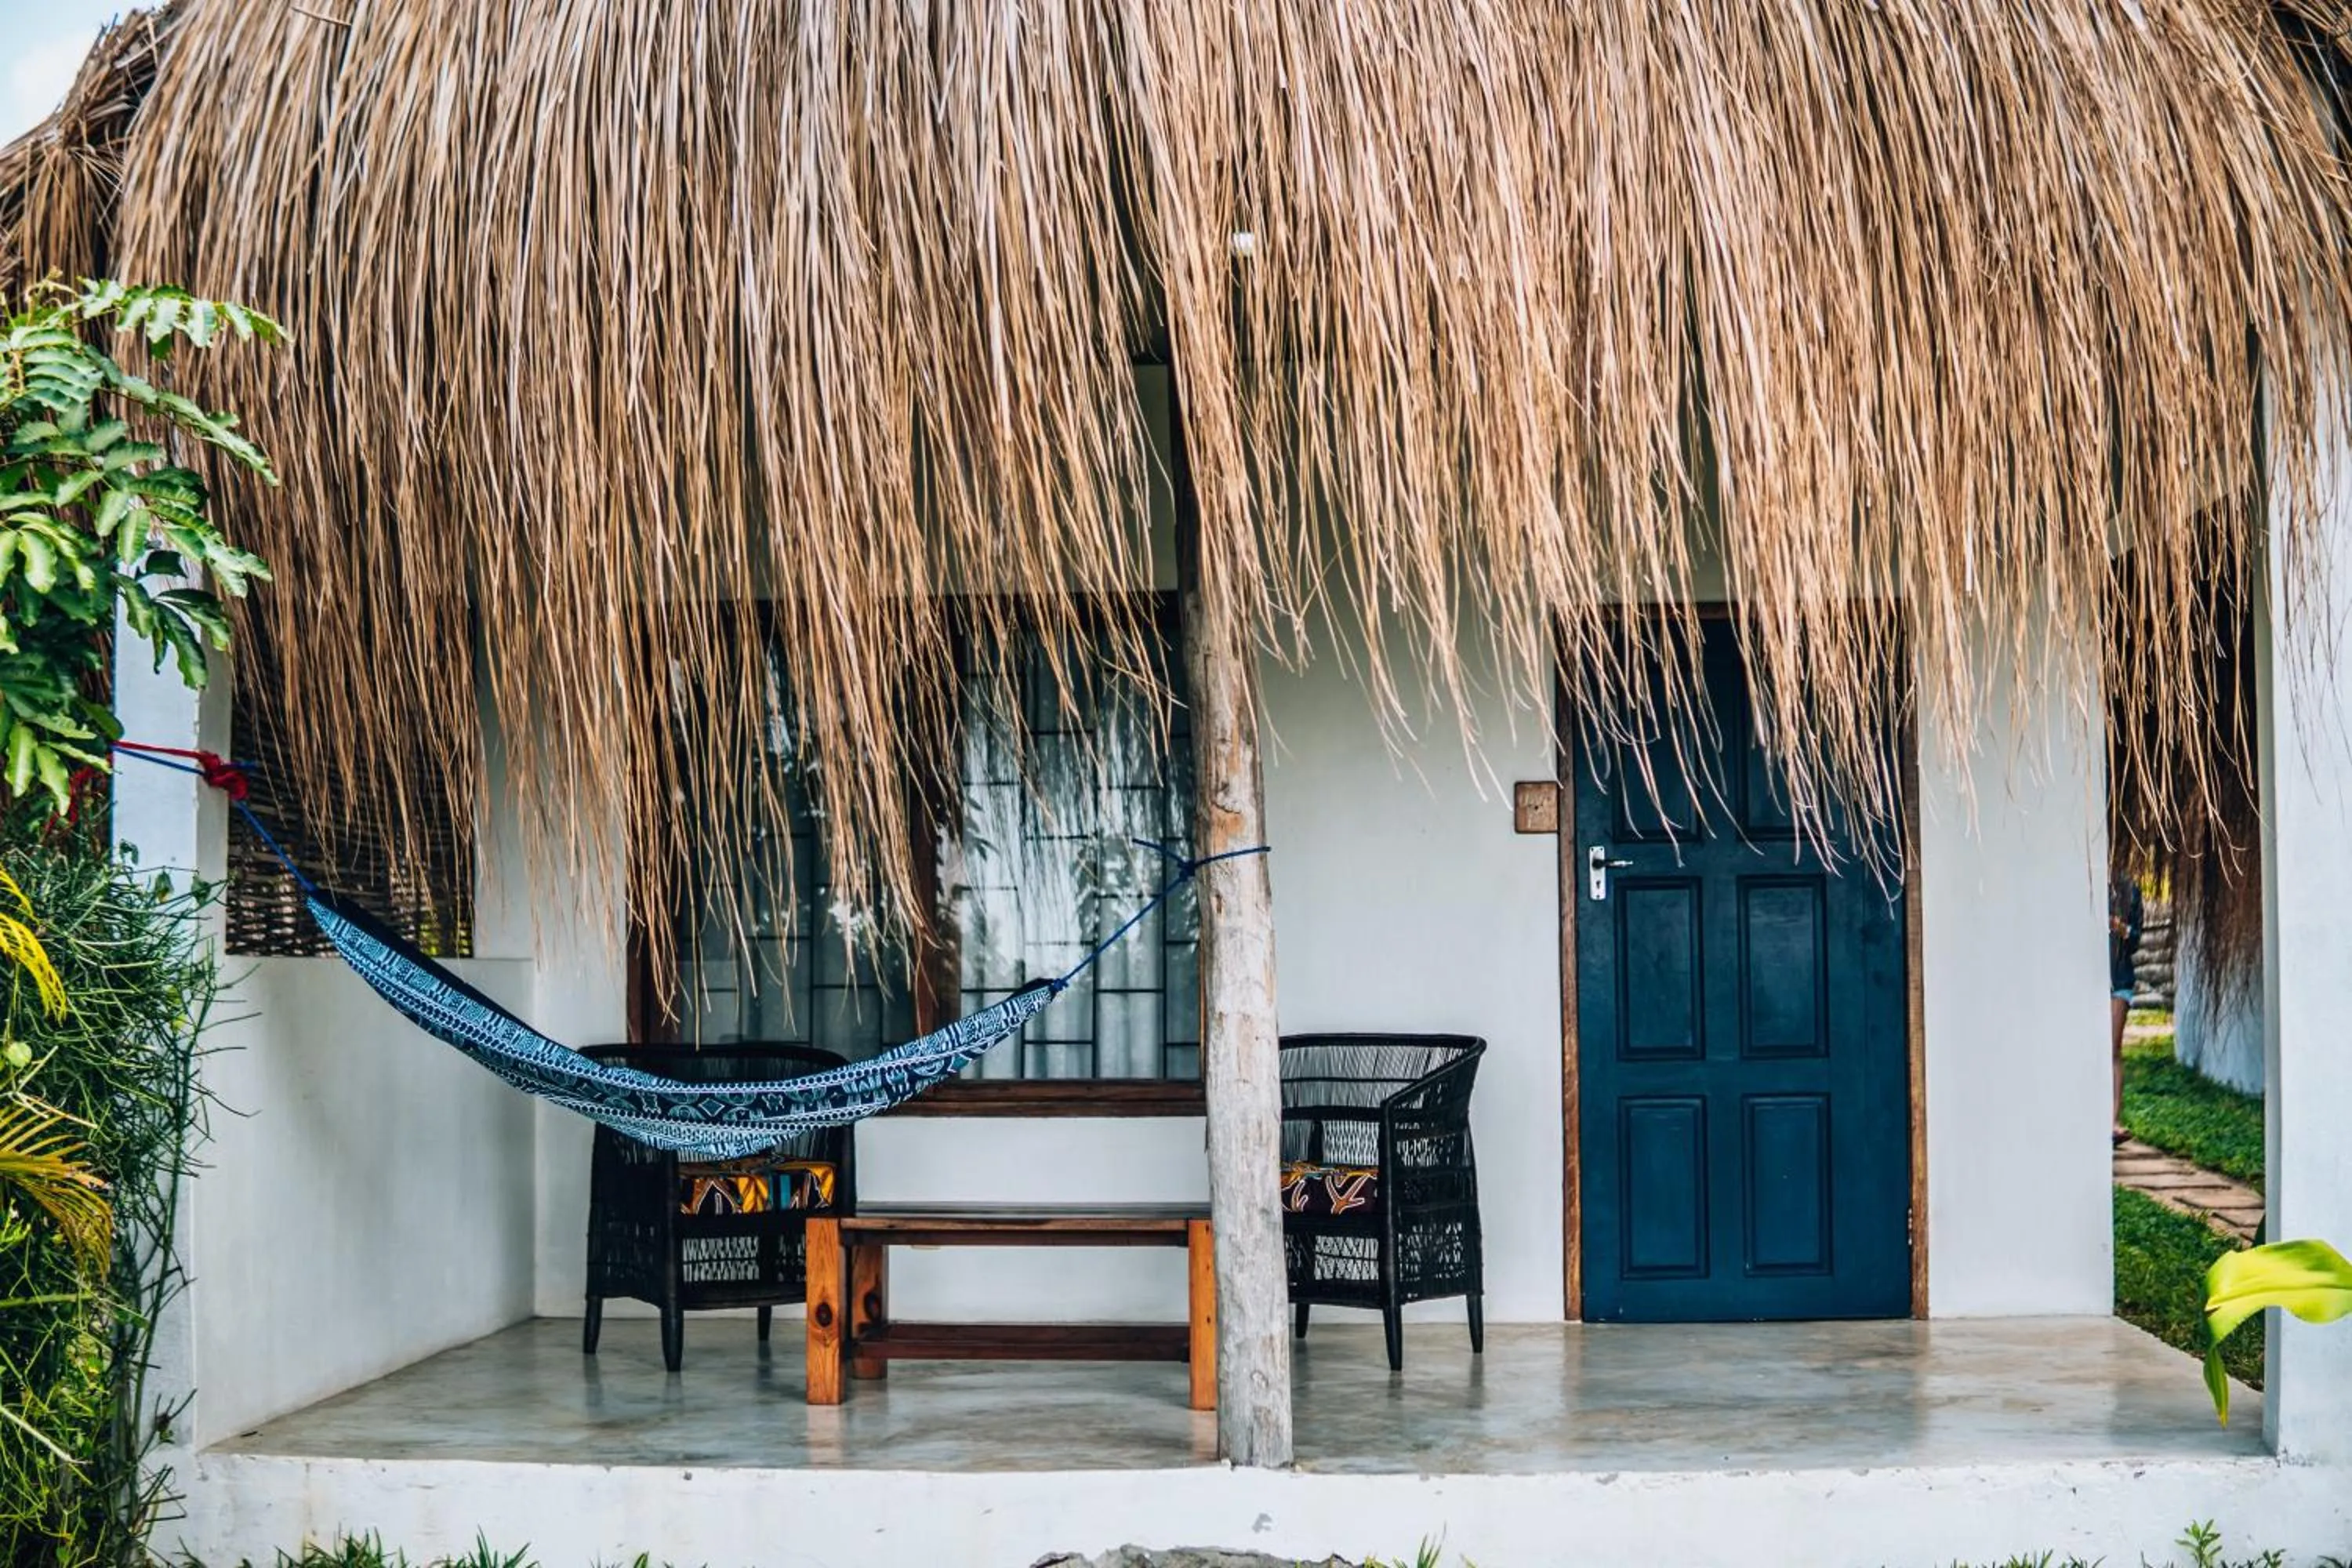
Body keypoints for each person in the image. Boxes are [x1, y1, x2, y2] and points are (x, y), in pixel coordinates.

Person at [2110, 875, 2144, 1145]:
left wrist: (2121, 928)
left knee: (2113, 1048)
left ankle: (2113, 1119)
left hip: (2119, 980)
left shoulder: (2130, 890)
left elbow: (2135, 941)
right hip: (2086, 977)